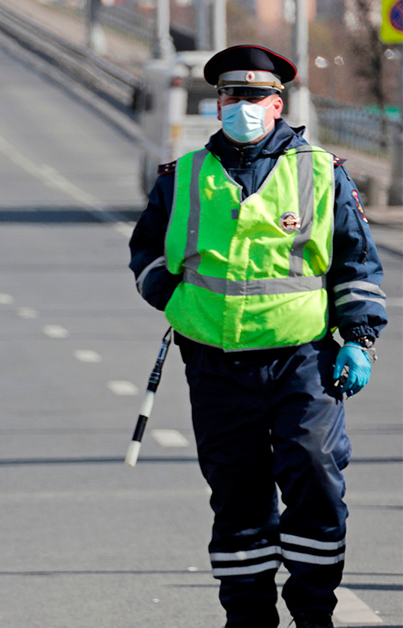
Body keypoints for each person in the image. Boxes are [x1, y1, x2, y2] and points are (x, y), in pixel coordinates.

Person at [128, 45, 388, 628]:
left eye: (252, 97)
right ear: (217, 103)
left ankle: (314, 611)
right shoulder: (183, 177)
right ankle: (247, 617)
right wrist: (173, 300)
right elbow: (146, 252)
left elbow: (356, 263)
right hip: (216, 364)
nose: (239, 106)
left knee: (316, 474)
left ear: (277, 105)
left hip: (305, 360)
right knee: (238, 492)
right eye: (229, 96)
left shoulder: (322, 172)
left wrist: (358, 339)